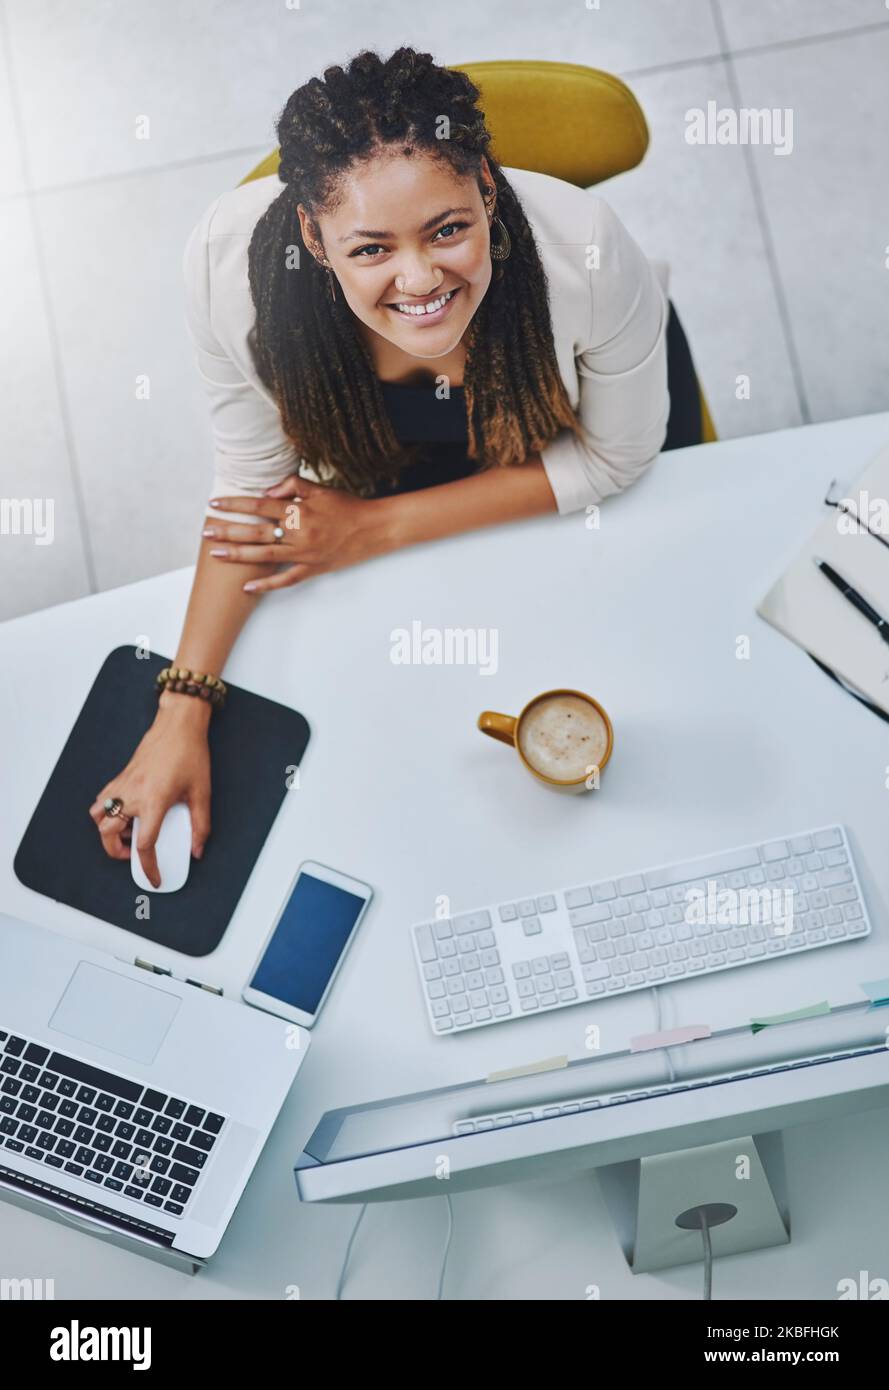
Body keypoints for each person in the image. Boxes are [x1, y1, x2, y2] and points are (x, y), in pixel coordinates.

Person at [89, 45, 702, 884]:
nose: (421, 281)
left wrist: (368, 530)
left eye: (448, 229)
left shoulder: (584, 252)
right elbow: (254, 490)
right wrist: (180, 710)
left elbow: (615, 457)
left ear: (487, 185)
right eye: (371, 249)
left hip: (566, 436)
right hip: (390, 464)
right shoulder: (224, 267)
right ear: (313, 232)